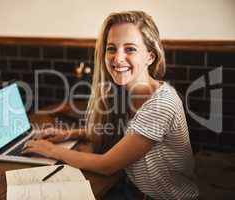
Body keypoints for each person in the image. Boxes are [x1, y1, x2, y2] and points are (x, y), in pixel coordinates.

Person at [22, 10, 199, 199]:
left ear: (150, 56)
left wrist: (50, 150)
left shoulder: (161, 104)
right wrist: (69, 134)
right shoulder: (124, 91)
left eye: (130, 49)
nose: (117, 58)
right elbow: (130, 135)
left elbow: (107, 165)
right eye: (112, 48)